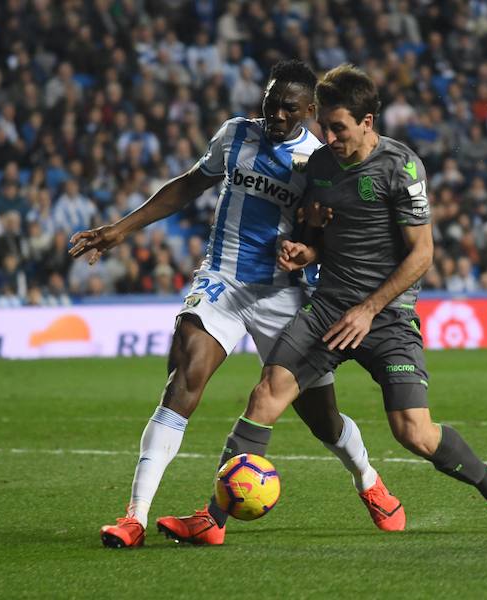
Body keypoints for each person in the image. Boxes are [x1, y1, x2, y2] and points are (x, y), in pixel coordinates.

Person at [166, 64, 487, 540]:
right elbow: (319, 239)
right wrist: (304, 251)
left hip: (386, 317)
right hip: (329, 309)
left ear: (368, 122)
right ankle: (212, 518)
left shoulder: (401, 167)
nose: (328, 137)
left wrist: (369, 309)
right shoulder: (319, 166)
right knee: (267, 394)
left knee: (414, 433)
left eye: (339, 128)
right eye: (324, 126)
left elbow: (422, 254)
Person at [69, 61, 404, 548]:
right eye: (270, 102)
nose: (276, 114)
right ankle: (135, 516)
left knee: (322, 418)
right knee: (183, 381)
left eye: (289, 108)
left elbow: (328, 232)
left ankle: (368, 481)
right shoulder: (234, 135)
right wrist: (120, 229)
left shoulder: (319, 161)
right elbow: (188, 184)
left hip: (283, 295)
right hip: (221, 283)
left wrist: (308, 249)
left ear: (311, 111)